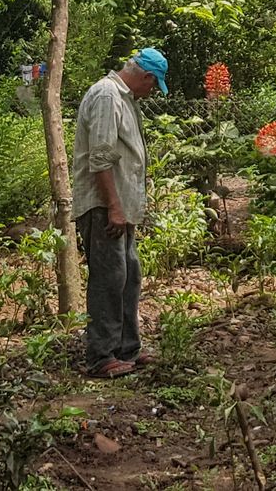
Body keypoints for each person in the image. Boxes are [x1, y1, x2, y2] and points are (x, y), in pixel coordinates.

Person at [70, 47, 167, 379]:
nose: (152, 92)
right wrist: (113, 206)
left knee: (128, 276)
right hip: (104, 207)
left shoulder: (125, 99)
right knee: (109, 279)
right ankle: (101, 355)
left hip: (119, 208)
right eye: (153, 86)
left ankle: (127, 348)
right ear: (146, 77)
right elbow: (101, 157)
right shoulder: (108, 96)